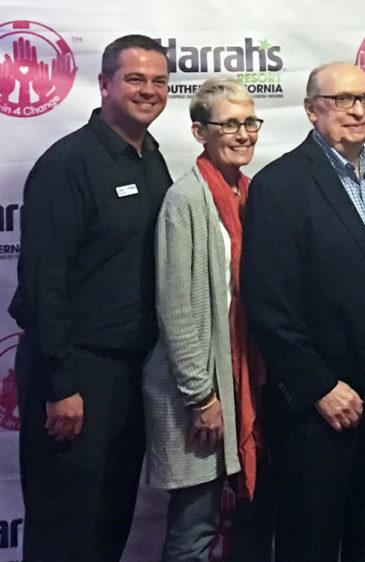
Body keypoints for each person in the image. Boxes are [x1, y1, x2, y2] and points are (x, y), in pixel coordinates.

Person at [241, 62, 365, 562]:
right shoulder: (279, 185)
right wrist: (318, 386)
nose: (359, 110)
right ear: (310, 109)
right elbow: (266, 303)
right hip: (319, 404)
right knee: (312, 541)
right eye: (343, 99)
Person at [9, 34, 171, 560]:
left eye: (158, 81)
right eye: (134, 79)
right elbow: (42, 283)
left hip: (131, 376)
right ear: (104, 84)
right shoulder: (68, 165)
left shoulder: (150, 159)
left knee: (109, 521)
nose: (148, 91)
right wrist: (62, 385)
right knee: (65, 529)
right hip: (77, 378)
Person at [142, 77, 272, 561]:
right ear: (200, 132)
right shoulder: (187, 199)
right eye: (230, 124)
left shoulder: (250, 192)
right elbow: (176, 308)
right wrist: (201, 396)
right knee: (194, 529)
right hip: (196, 393)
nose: (243, 134)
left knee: (246, 523)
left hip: (242, 381)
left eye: (250, 122)